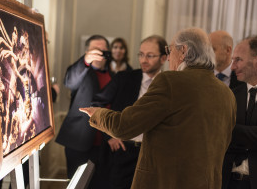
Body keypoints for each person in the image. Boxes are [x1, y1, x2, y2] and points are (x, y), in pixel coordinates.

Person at [80, 27, 236, 189]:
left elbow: (124, 126)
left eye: (170, 50)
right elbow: (223, 144)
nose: (168, 58)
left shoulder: (170, 81)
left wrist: (98, 114)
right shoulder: (227, 94)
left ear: (183, 51)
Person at [91, 35, 167, 189]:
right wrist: (109, 134)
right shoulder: (124, 78)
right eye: (141, 54)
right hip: (123, 151)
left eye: (150, 55)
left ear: (163, 58)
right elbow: (97, 103)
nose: (144, 60)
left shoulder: (169, 85)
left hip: (154, 155)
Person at [55, 35, 113, 181]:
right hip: (79, 140)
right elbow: (69, 82)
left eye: (103, 49)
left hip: (105, 143)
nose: (100, 52)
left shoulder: (114, 75)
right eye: (95, 49)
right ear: (87, 51)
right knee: (78, 182)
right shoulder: (80, 70)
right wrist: (86, 61)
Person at [222, 36, 257, 189]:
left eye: (238, 60)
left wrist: (233, 130)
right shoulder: (230, 95)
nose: (232, 66)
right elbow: (221, 134)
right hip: (228, 181)